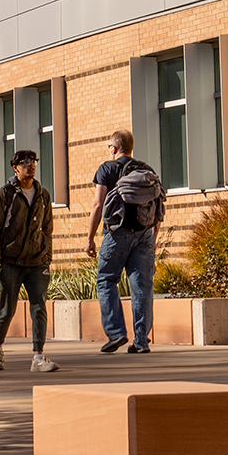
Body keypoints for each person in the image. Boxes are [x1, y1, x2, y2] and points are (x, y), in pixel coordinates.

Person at [0, 149, 59, 372]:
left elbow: (47, 228)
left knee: (39, 307)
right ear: (15, 168)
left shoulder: (43, 194)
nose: (30, 165)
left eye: (33, 161)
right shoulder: (4, 195)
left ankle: (38, 357)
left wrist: (46, 258)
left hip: (37, 262)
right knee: (7, 309)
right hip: (10, 262)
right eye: (24, 162)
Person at [87, 131, 157, 354]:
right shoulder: (147, 170)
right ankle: (141, 342)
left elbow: (98, 205)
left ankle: (116, 333)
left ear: (114, 149)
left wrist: (90, 238)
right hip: (144, 233)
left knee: (106, 280)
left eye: (110, 146)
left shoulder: (107, 169)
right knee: (142, 287)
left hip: (116, 233)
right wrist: (153, 238)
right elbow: (158, 206)